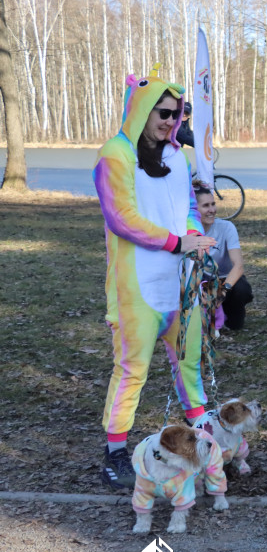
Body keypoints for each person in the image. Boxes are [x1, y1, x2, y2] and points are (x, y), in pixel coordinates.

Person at [93, 67, 216, 490]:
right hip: (137, 288)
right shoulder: (115, 154)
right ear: (142, 109)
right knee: (131, 371)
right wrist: (174, 243)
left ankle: (206, 444)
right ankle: (114, 452)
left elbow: (186, 208)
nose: (170, 121)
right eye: (163, 112)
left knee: (190, 363)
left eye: (177, 114)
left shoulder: (178, 155)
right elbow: (122, 218)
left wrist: (193, 235)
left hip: (180, 285)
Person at [196, 184, 253, 330]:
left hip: (226, 282)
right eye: (206, 206)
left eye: (213, 204)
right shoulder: (186, 231)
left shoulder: (226, 227)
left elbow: (238, 265)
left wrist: (222, 291)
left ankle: (230, 311)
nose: (212, 210)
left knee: (242, 290)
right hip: (199, 283)